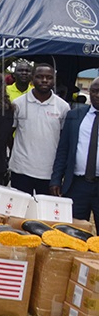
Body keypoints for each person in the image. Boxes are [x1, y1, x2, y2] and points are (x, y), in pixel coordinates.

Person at [9, 64, 69, 195]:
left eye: (49, 77)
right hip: (21, 170)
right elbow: (9, 134)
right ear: (32, 78)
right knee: (19, 212)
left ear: (54, 80)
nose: (44, 80)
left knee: (43, 214)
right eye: (39, 77)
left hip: (49, 173)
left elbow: (64, 141)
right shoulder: (18, 104)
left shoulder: (63, 107)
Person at [51, 78, 99, 221]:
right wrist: (56, 180)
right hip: (77, 185)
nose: (98, 95)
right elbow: (63, 150)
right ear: (90, 92)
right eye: (95, 91)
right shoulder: (75, 116)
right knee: (74, 231)